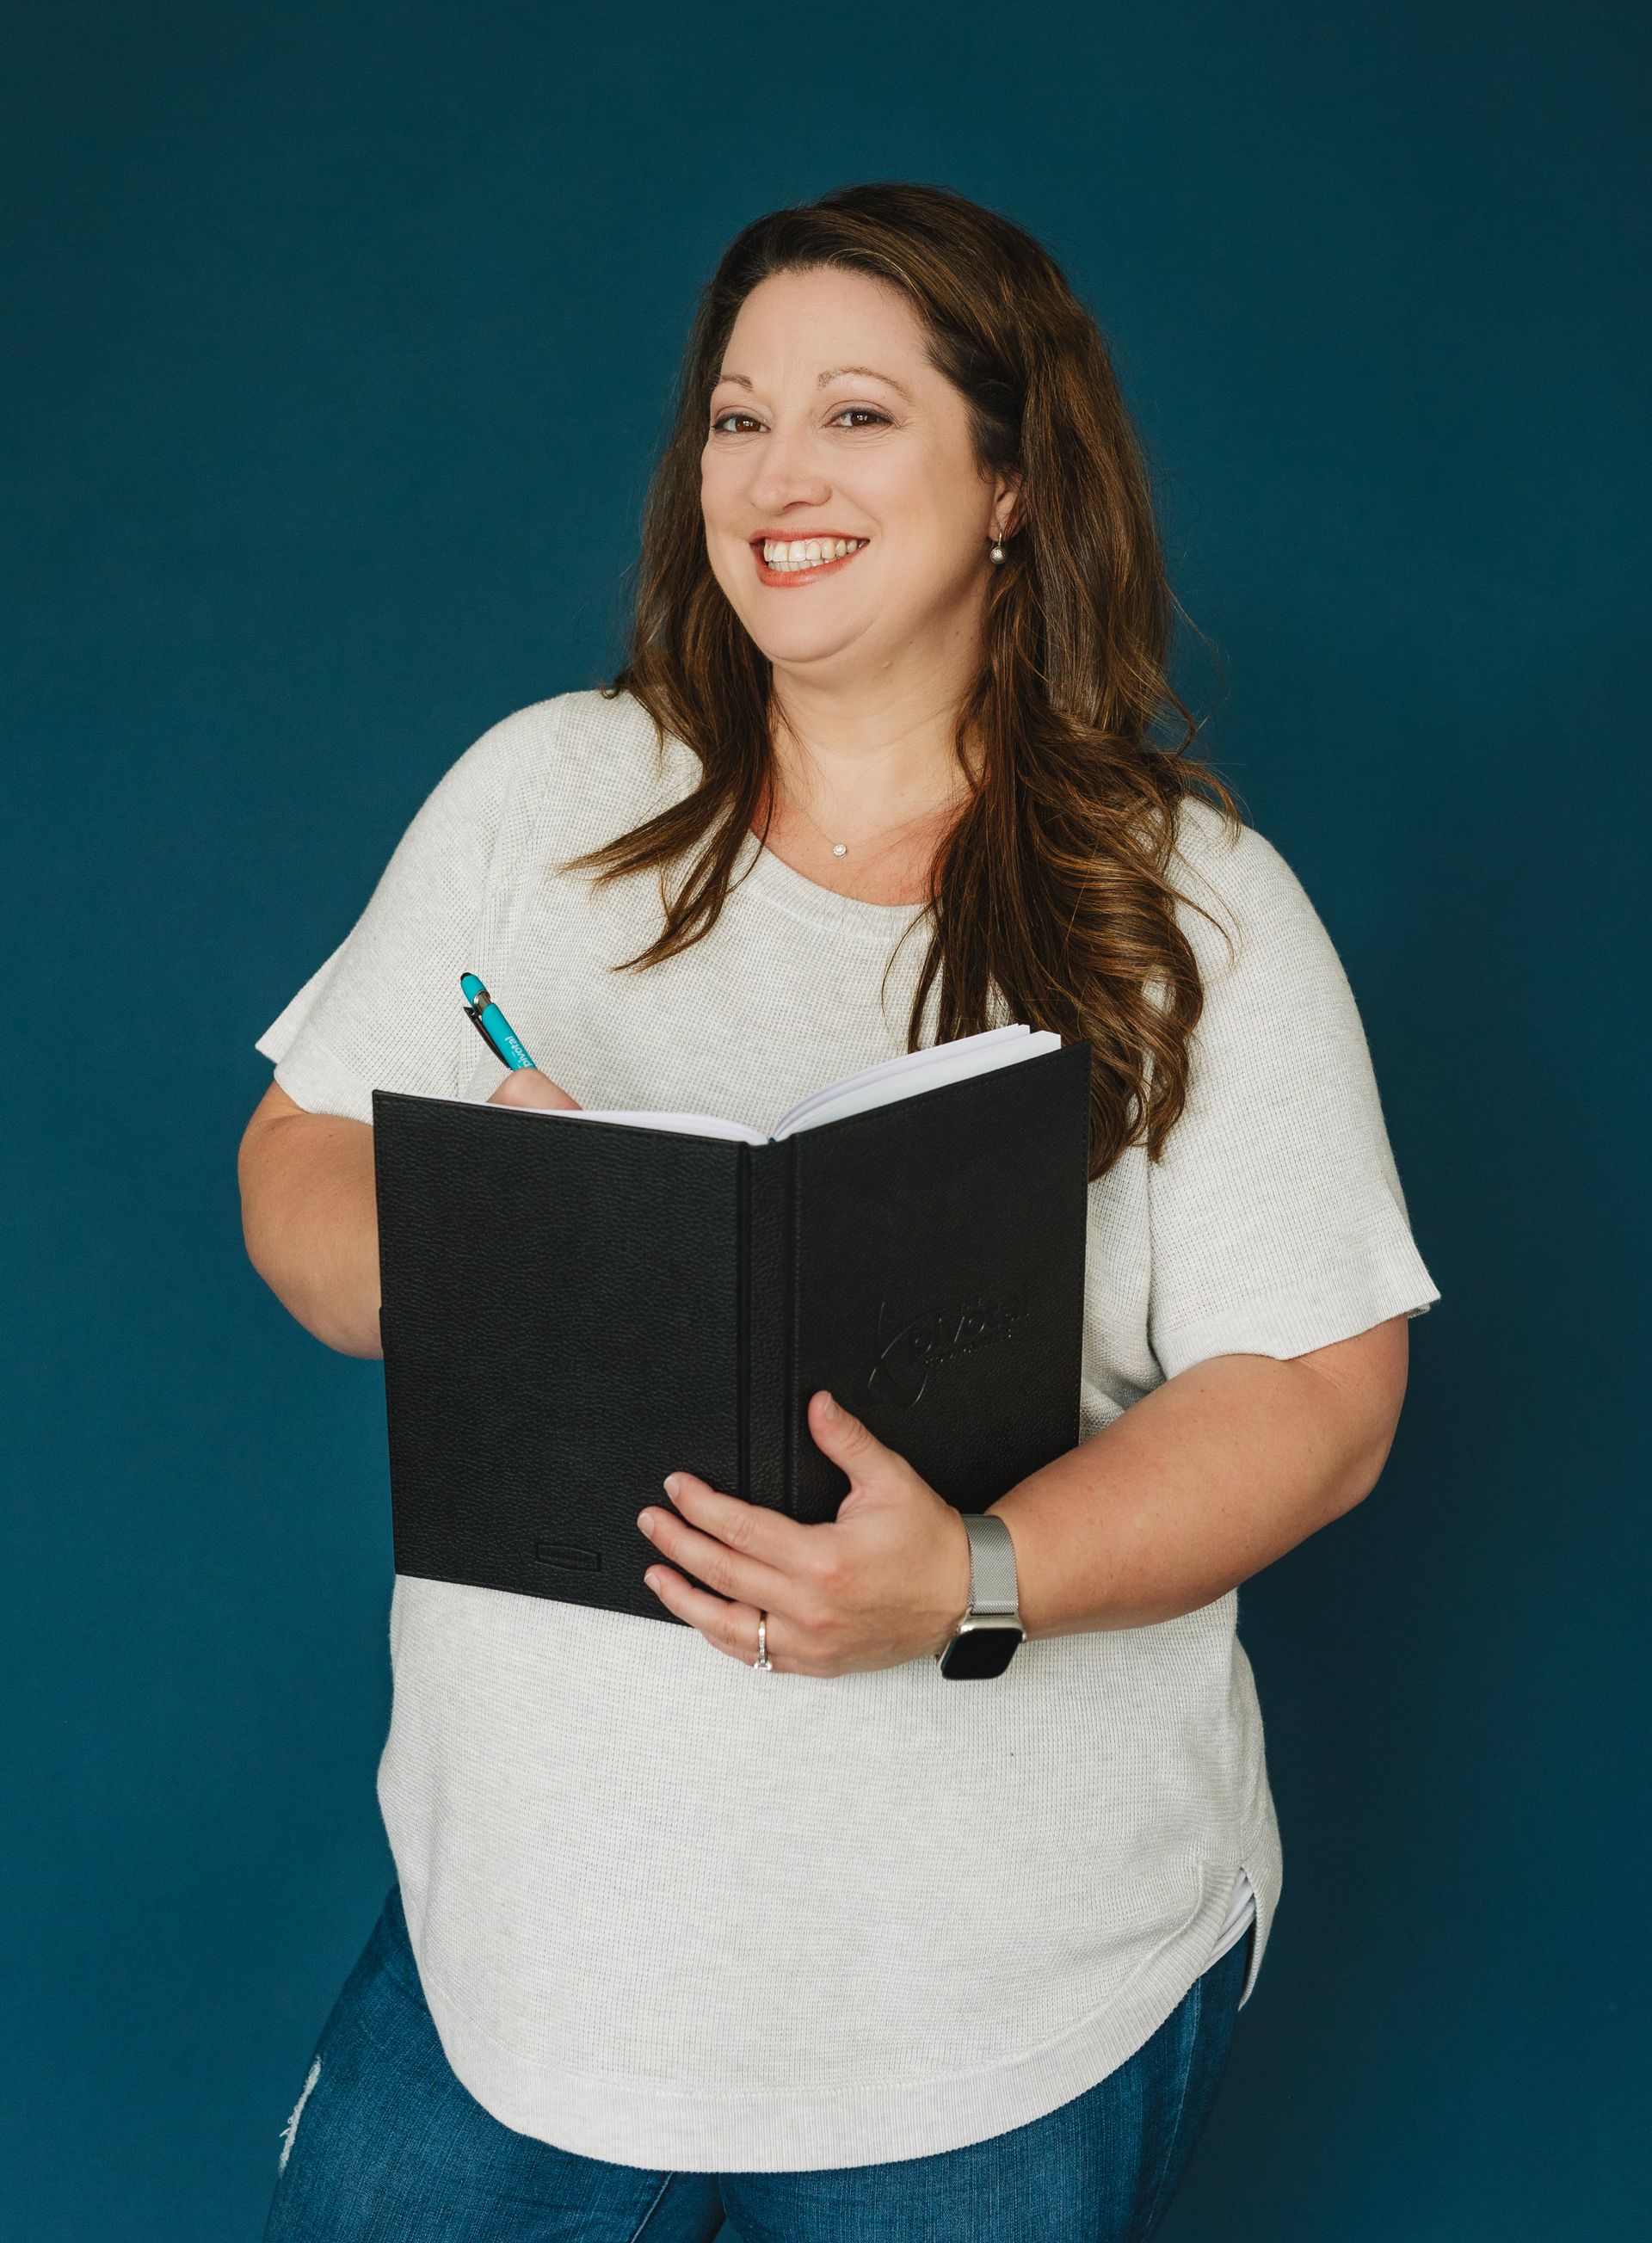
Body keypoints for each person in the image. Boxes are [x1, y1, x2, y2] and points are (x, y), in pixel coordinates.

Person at [239, 181, 1439, 2241]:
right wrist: (521, 1240)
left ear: (1011, 487)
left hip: (988, 2013)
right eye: (735, 419)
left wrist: (970, 1577)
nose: (777, 477)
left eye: (859, 417)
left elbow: (1323, 1392)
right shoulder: (547, 794)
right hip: (529, 1954)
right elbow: (300, 1168)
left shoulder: (1194, 909)